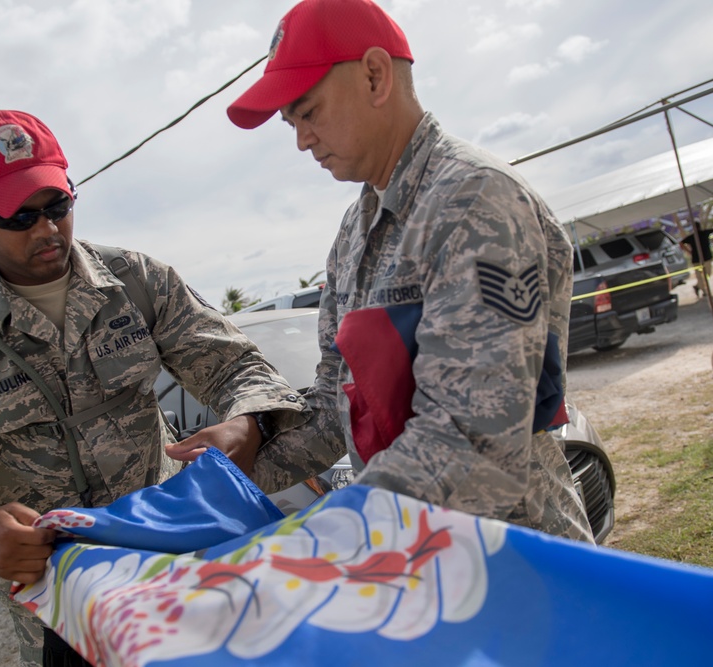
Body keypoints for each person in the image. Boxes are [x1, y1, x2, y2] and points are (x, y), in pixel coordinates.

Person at [0, 108, 307, 666]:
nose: (45, 230)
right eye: (18, 216)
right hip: (63, 608)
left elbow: (239, 366)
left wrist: (246, 422)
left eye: (57, 206)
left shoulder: (137, 282)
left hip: (176, 565)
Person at [172, 0, 593, 544]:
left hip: (517, 562)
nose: (301, 139)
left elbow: (474, 438)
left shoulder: (474, 200)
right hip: (425, 564)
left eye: (308, 112)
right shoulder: (355, 232)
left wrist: (326, 538)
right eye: (291, 123)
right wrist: (246, 442)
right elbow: (333, 409)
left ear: (375, 76)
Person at [682, 221, 713, 297]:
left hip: (706, 258)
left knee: (707, 275)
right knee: (700, 276)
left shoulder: (704, 233)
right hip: (697, 260)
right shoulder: (692, 237)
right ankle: (704, 291)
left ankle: (698, 287)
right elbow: (682, 243)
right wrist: (689, 251)